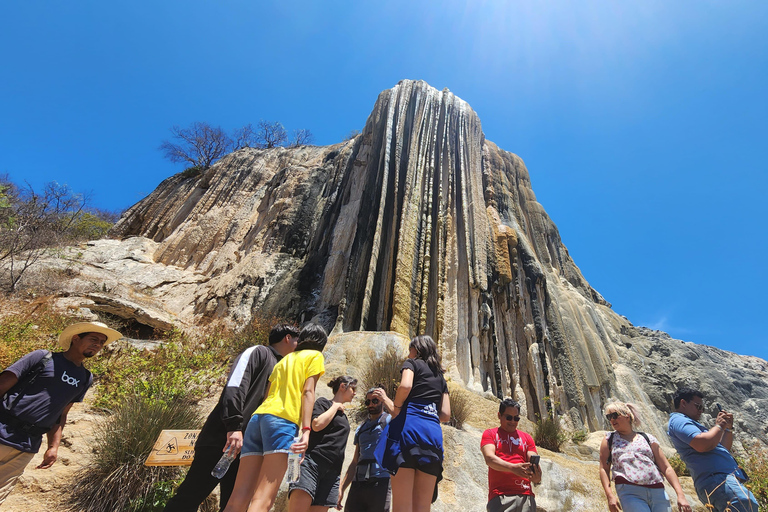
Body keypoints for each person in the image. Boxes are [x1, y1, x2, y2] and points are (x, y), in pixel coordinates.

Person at [163, 324, 300, 511]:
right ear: (287, 338)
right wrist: (233, 426)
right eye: (297, 340)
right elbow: (235, 386)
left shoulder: (281, 367)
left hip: (248, 449)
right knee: (190, 496)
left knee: (234, 505)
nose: (298, 345)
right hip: (223, 439)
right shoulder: (258, 352)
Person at [0, 321, 122, 504]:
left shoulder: (85, 378)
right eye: (93, 339)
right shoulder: (42, 358)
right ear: (75, 338)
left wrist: (53, 447)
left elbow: (62, 414)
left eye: (102, 343)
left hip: (27, 445)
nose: (98, 345)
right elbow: (3, 384)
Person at [222, 323, 327, 512]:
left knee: (238, 496)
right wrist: (306, 431)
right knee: (264, 498)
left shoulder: (283, 361)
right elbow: (308, 392)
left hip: (258, 419)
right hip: (282, 421)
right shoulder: (315, 356)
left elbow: (267, 395)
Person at [375, 335, 451, 512]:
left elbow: (405, 386)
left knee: (402, 507)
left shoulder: (412, 363)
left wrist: (398, 406)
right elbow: (446, 414)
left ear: (416, 350)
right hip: (432, 438)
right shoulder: (440, 377)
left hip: (408, 433)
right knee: (422, 508)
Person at [667, 388, 758, 512]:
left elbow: (722, 448)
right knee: (744, 503)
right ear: (683, 403)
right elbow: (702, 444)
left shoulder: (691, 423)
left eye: (702, 409)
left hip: (719, 479)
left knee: (746, 504)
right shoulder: (679, 420)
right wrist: (719, 425)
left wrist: (727, 429)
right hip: (716, 479)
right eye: (698, 407)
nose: (701, 411)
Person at [599, 402, 690, 512]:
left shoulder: (647, 438)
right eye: (609, 417)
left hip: (658, 491)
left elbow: (666, 468)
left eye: (614, 415)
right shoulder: (609, 439)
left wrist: (680, 495)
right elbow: (604, 468)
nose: (611, 420)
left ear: (627, 415)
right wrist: (610, 496)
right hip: (630, 491)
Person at [288, 376, 357, 512]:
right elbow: (317, 424)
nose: (355, 393)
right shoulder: (323, 403)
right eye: (353, 388)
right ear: (343, 386)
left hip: (331, 472)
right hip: (310, 463)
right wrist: (335, 406)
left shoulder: (343, 416)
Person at [480, 398, 541, 512]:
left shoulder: (527, 438)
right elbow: (489, 459)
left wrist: (537, 477)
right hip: (501, 496)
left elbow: (533, 462)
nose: (513, 421)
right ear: (499, 415)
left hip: (526, 496)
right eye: (508, 417)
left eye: (516, 418)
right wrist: (512, 468)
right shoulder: (490, 434)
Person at [339, 387, 393, 512]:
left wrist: (385, 398)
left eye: (375, 400)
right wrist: (342, 489)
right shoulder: (361, 428)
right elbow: (354, 462)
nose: (371, 404)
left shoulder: (389, 421)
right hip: (359, 483)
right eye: (367, 402)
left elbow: (400, 416)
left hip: (380, 481)